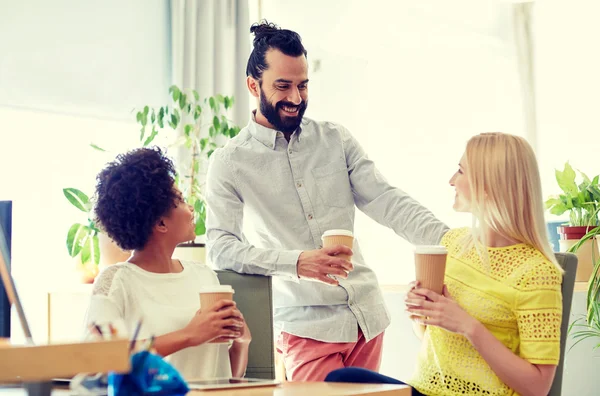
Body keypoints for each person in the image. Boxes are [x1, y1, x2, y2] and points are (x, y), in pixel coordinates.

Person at [205, 20, 448, 381]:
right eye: (283, 86)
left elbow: (386, 200)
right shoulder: (230, 162)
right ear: (253, 85)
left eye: (303, 85)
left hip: (367, 317)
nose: (296, 98)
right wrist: (296, 263)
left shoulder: (335, 139)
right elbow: (220, 247)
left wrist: (452, 242)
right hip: (305, 325)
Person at [325, 132, 564, 396]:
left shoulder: (537, 273)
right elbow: (429, 337)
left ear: (488, 185)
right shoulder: (454, 244)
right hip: (424, 390)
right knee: (341, 379)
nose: (451, 181)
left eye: (460, 171)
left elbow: (538, 387)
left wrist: (468, 326)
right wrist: (425, 313)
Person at [84, 147, 251, 380]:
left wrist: (241, 342)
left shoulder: (204, 277)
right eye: (181, 200)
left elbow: (227, 376)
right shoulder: (116, 281)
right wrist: (189, 334)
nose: (191, 208)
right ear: (161, 223)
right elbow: (96, 360)